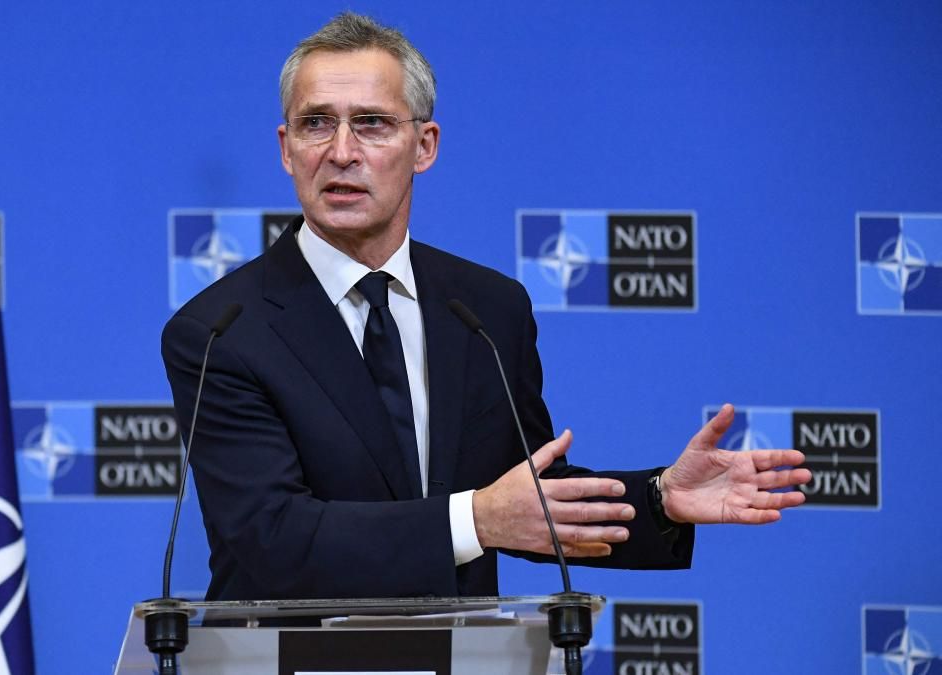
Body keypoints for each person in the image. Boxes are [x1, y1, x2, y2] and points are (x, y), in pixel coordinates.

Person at [161, 12, 810, 601]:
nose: (341, 151)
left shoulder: (486, 308)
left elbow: (528, 496)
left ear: (425, 145)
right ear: (286, 148)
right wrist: (476, 519)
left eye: (372, 123)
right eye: (316, 123)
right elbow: (272, 537)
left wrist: (660, 498)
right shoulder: (220, 332)